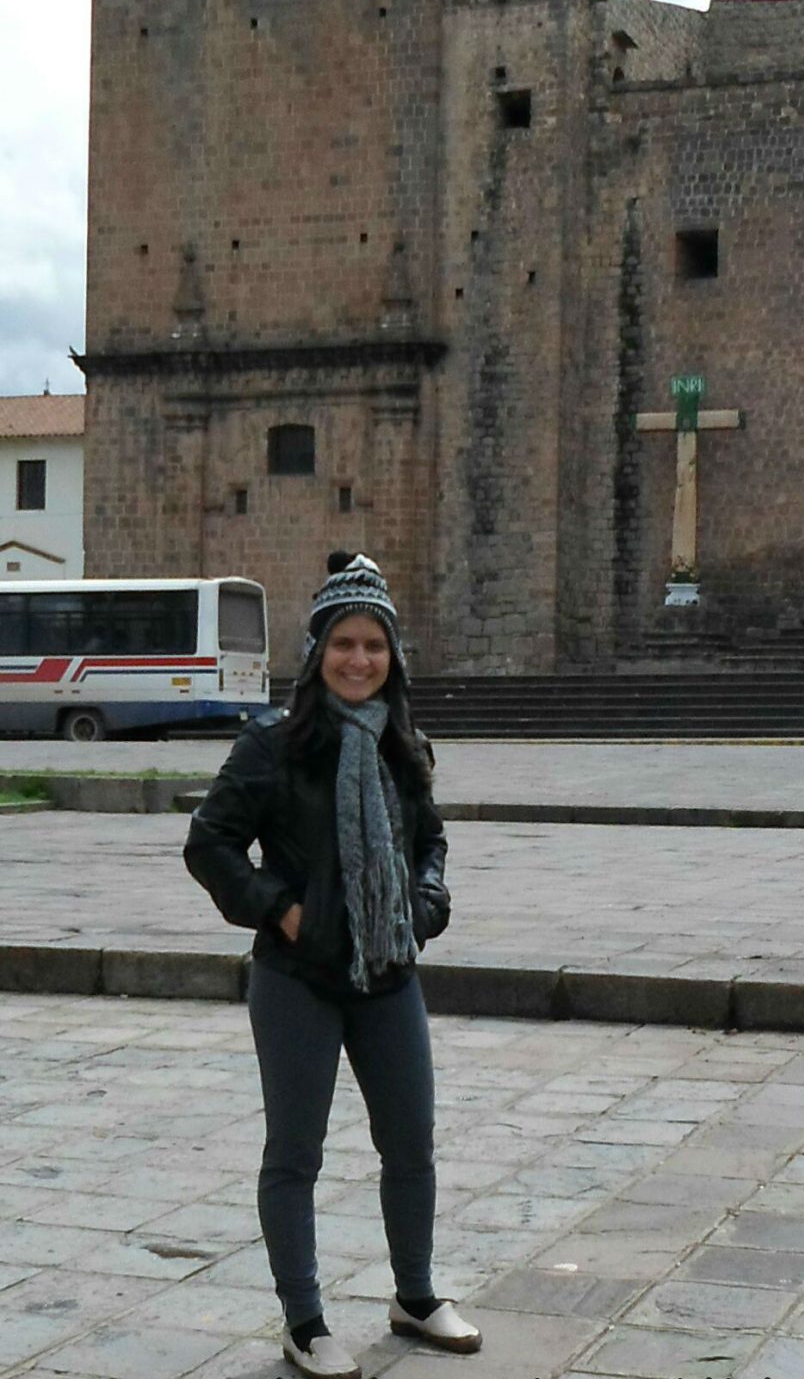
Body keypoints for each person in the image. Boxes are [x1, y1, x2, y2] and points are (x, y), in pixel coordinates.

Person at [185, 555, 479, 1378]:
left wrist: (424, 908)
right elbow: (209, 842)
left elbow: (430, 843)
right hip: (298, 979)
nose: (359, 660)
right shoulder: (272, 746)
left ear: (393, 657)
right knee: (296, 1152)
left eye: (373, 646)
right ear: (317, 653)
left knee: (411, 1141)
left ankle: (414, 1295)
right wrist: (281, 909)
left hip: (387, 974)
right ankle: (305, 1319)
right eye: (343, 644)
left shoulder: (402, 744)